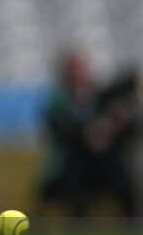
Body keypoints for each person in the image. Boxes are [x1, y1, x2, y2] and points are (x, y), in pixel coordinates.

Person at [39, 51, 139, 220]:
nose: (80, 72)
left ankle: (130, 224)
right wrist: (87, 135)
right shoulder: (58, 100)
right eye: (75, 68)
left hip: (101, 161)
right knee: (72, 184)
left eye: (82, 67)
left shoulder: (99, 95)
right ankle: (78, 228)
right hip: (74, 161)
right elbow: (62, 132)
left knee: (123, 181)